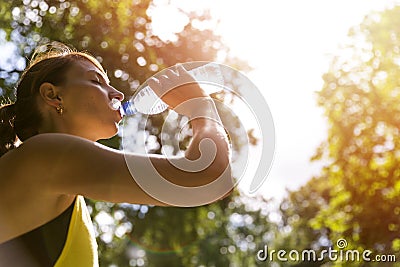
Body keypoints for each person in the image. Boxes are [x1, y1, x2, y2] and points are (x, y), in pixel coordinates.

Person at [0, 42, 232, 266]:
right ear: (53, 95)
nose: (119, 94)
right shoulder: (46, 156)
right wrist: (201, 107)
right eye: (97, 81)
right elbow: (208, 176)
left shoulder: (56, 175)